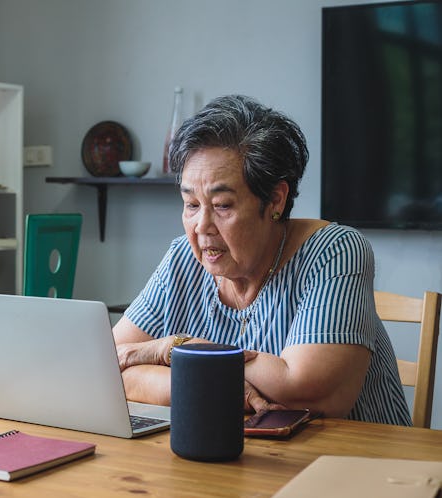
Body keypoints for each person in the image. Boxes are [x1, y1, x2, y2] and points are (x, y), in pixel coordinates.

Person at [114, 95, 411, 426]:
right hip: (234, 464)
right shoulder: (182, 258)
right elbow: (108, 368)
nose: (201, 227)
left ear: (275, 199)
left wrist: (180, 349)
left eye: (222, 205)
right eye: (192, 205)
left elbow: (308, 394)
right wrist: (213, 382)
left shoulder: (336, 252)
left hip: (356, 466)